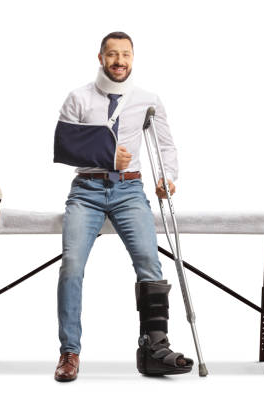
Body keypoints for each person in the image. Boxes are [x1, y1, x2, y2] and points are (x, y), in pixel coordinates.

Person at [52, 31, 193, 382]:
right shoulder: (78, 98)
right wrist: (108, 155)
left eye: (125, 54)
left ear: (133, 58)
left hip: (129, 190)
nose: (119, 61)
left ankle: (155, 346)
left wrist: (168, 178)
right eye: (112, 54)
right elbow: (64, 146)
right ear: (100, 58)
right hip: (86, 190)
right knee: (71, 265)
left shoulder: (147, 100)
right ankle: (70, 352)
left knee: (149, 261)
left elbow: (165, 145)